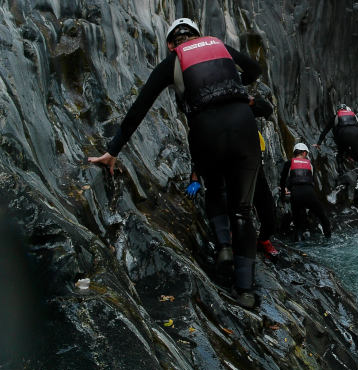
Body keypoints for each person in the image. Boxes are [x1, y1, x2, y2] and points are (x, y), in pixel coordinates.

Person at [88, 18, 262, 308]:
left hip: (206, 130)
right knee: (243, 210)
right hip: (243, 125)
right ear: (198, 35)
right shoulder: (221, 47)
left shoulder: (174, 60)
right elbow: (255, 71)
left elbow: (139, 107)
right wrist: (232, 84)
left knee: (215, 186)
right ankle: (245, 291)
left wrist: (113, 150)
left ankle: (223, 247)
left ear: (171, 44)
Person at [187, 95, 279, 257]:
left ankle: (263, 239)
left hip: (254, 169)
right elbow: (202, 150)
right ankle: (232, 246)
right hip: (229, 170)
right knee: (234, 211)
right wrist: (195, 177)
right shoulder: (212, 117)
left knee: (270, 216)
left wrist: (247, 99)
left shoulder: (242, 108)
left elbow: (266, 108)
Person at [280, 143, 331, 239]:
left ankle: (298, 239)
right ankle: (328, 237)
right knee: (322, 215)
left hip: (295, 194)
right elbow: (311, 181)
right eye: (306, 153)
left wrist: (283, 192)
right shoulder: (309, 164)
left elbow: (283, 180)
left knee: (297, 220)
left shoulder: (289, 163)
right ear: (304, 153)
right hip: (309, 193)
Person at [314, 104, 358, 185]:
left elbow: (326, 130)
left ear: (338, 110)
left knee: (340, 153)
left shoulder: (336, 116)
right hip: (355, 135)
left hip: (342, 135)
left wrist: (319, 143)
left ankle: (341, 173)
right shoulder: (354, 115)